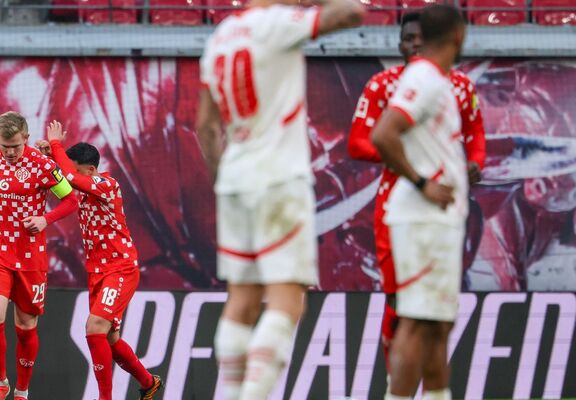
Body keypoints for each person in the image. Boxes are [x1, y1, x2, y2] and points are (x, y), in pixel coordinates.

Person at [195, 0, 365, 397]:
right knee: (287, 302)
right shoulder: (278, 23)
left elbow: (205, 125)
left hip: (236, 178)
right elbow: (353, 12)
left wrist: (224, 178)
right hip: (278, 177)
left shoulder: (220, 37)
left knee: (241, 301)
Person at [347, 10, 485, 375]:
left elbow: (475, 138)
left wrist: (472, 163)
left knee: (437, 317)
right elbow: (361, 142)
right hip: (404, 205)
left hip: (441, 209)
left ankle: (429, 389)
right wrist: (415, 166)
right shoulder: (387, 83)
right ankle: (397, 384)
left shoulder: (459, 86)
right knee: (405, 309)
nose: (415, 45)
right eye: (408, 39)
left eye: (420, 38)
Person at [369, 5, 468, 400]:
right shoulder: (425, 77)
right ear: (459, 35)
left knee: (437, 325)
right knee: (415, 322)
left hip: (437, 222)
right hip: (423, 221)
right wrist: (422, 182)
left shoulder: (434, 79)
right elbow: (384, 134)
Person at [0, 111, 78, 400]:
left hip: (30, 255)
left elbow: (71, 200)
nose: (9, 152)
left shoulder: (43, 165)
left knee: (25, 327)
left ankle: (22, 391)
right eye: (4, 146)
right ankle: (0, 383)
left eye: (15, 146)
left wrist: (45, 220)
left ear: (26, 138)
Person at [43, 121, 163, 400]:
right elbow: (64, 176)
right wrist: (48, 155)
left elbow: (70, 178)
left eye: (77, 169)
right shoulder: (84, 185)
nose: (72, 174)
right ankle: (148, 382)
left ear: (92, 170)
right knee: (109, 338)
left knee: (94, 326)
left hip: (120, 268)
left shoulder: (107, 184)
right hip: (97, 271)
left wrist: (57, 146)